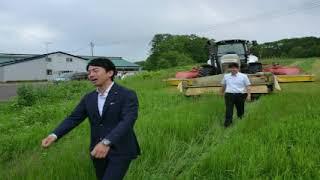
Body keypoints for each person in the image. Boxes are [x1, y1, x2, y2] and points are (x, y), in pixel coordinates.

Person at [41, 58, 140, 180]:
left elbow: (128, 121)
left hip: (120, 149)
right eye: (89, 72)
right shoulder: (89, 98)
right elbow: (74, 118)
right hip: (96, 150)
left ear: (110, 73)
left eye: (95, 70)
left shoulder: (126, 94)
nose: (91, 75)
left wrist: (106, 142)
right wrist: (54, 135)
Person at [221, 63, 251, 127]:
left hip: (240, 95)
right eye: (231, 68)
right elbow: (223, 86)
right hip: (229, 95)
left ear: (238, 68)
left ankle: (241, 122)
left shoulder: (243, 76)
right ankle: (227, 125)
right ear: (229, 69)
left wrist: (249, 95)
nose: (233, 69)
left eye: (235, 68)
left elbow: (248, 86)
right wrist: (221, 93)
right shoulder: (226, 76)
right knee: (229, 110)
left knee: (240, 110)